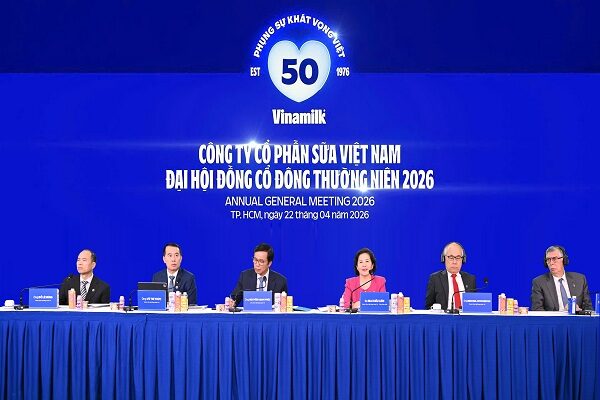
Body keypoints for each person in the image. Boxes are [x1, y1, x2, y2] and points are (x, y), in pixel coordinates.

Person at [531, 245, 591, 311]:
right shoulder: (539, 282)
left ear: (564, 260)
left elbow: (588, 308)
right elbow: (537, 310)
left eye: (554, 259)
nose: (551, 263)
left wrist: (578, 311)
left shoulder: (580, 279)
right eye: (548, 259)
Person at [425, 242, 476, 310]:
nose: (454, 262)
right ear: (444, 259)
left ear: (463, 260)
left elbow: (474, 306)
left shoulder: (470, 279)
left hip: (465, 316)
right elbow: (428, 307)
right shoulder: (435, 279)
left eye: (458, 257)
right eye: (451, 257)